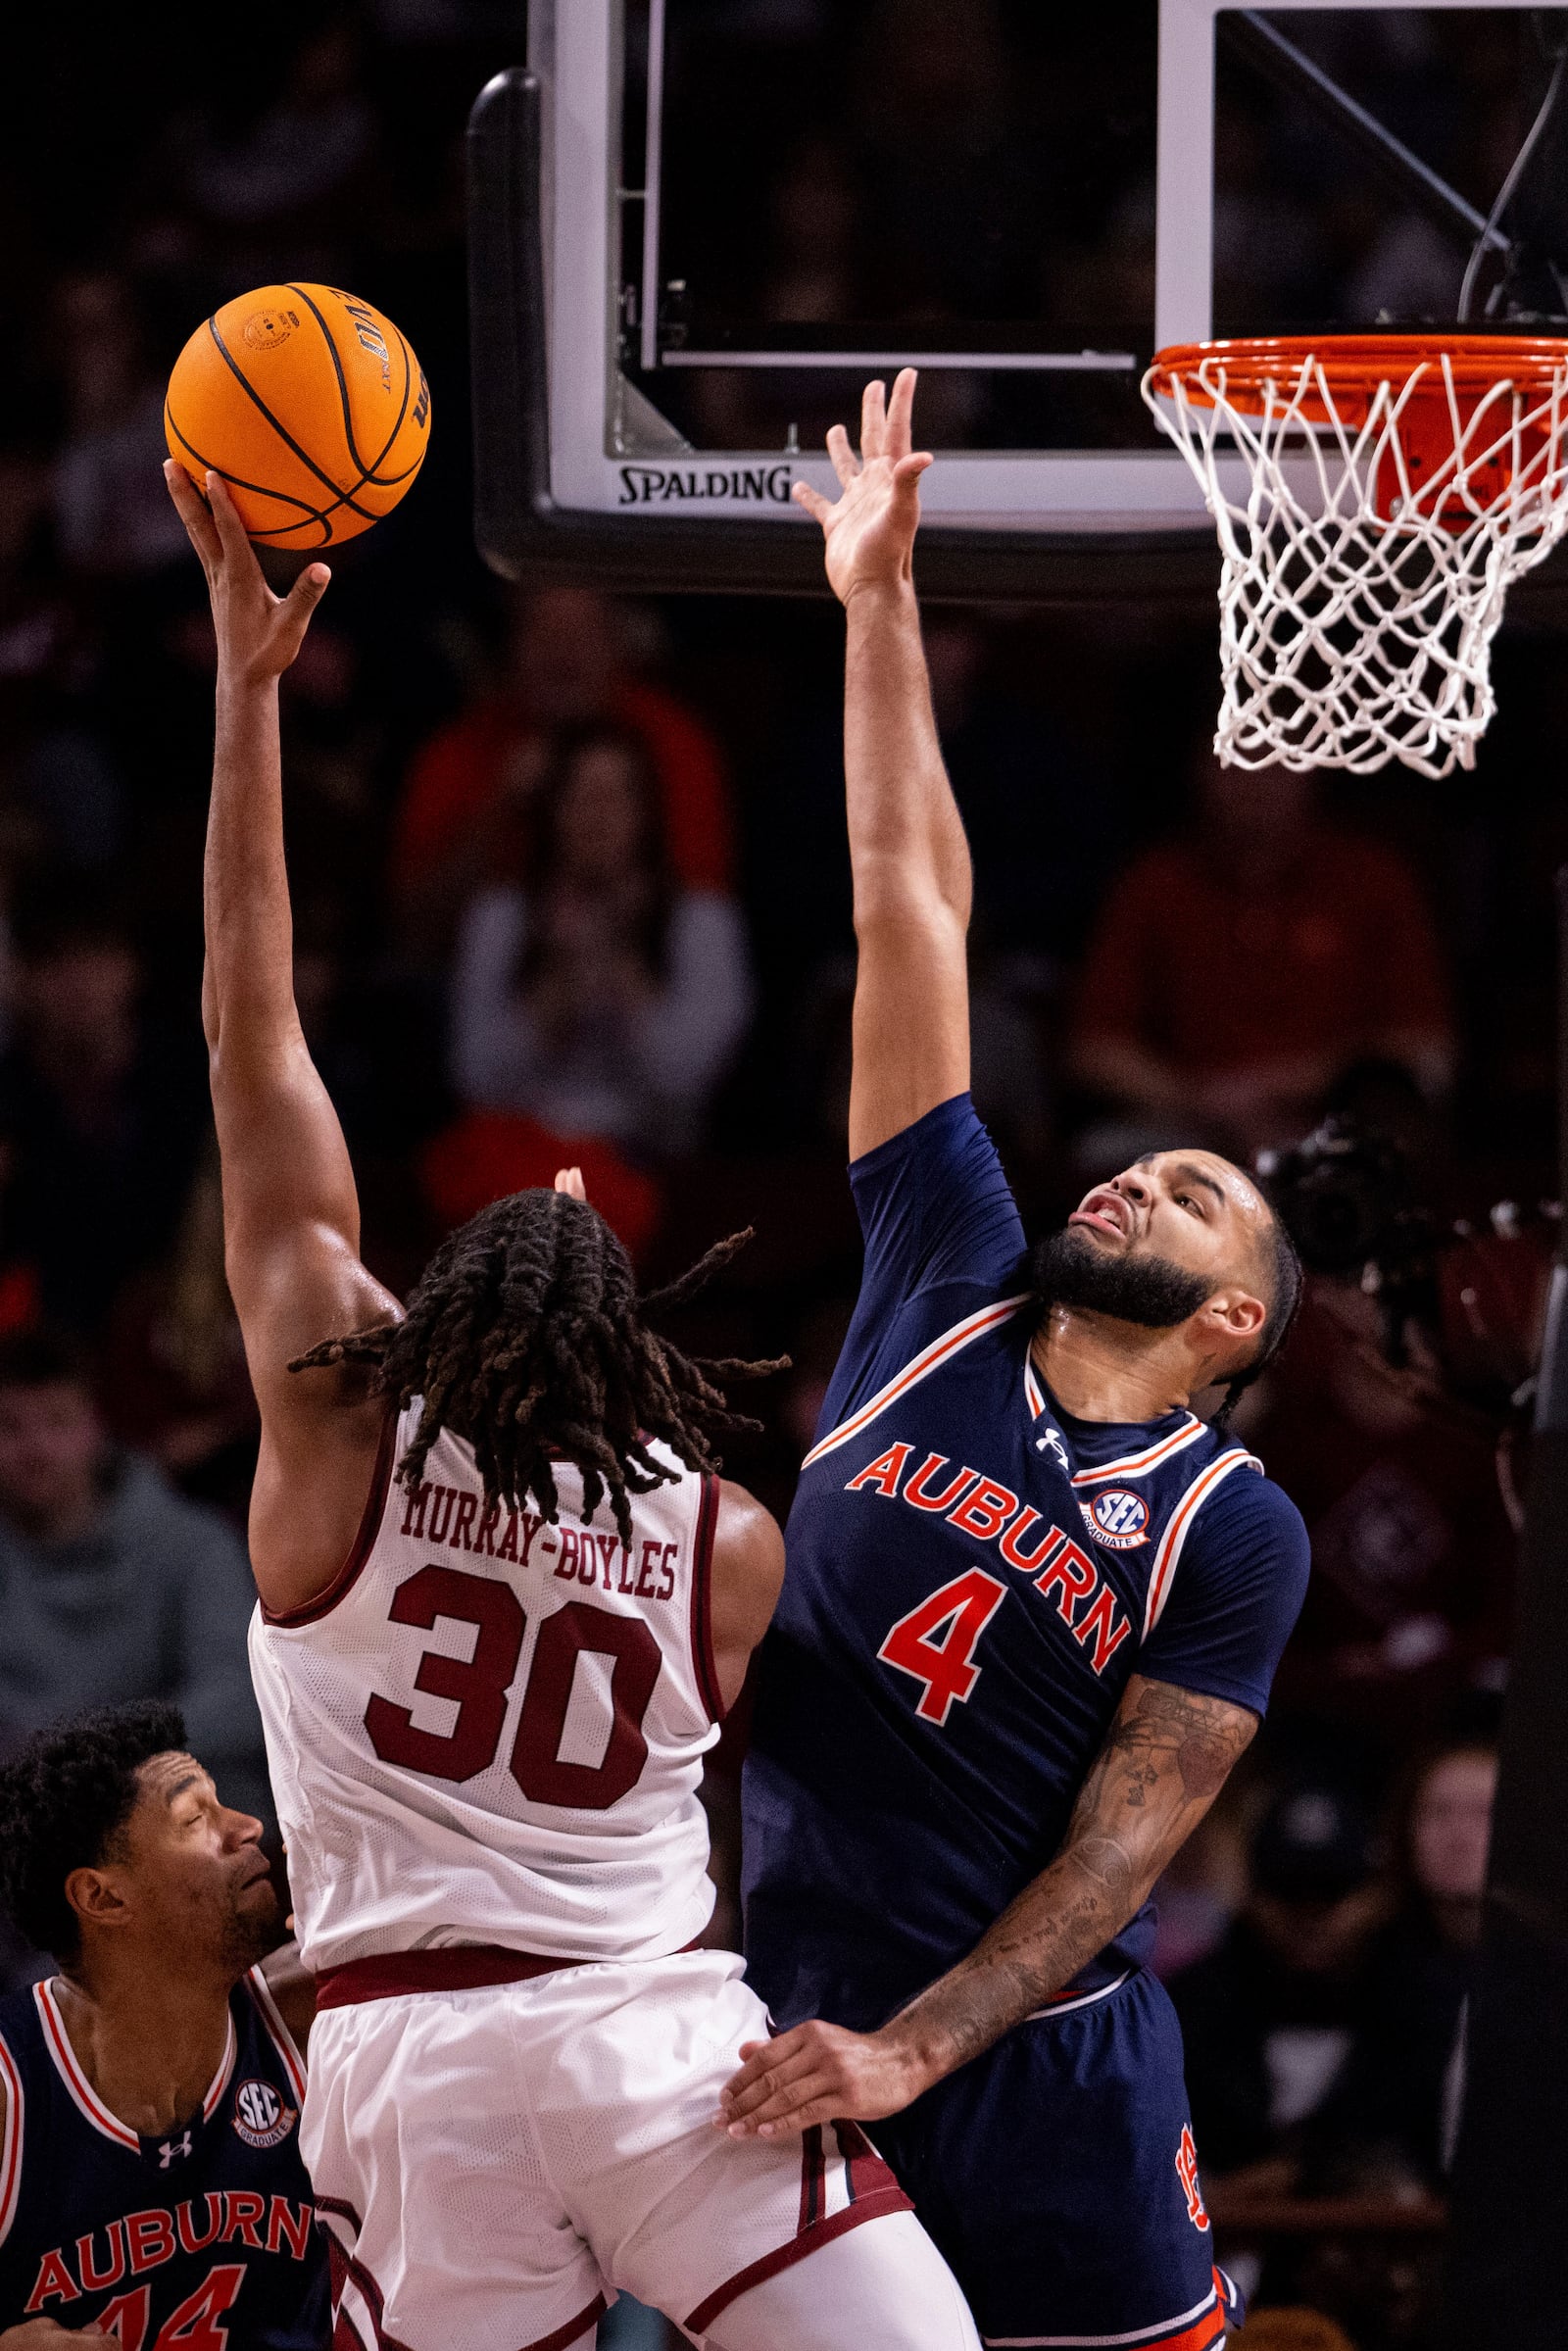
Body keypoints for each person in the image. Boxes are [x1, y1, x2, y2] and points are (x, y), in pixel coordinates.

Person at [163, 456, 980, 2351]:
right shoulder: (729, 1534)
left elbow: (250, 1022)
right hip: (652, 2039)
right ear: (638, 1350)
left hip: (408, 2058)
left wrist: (246, 693)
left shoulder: (340, 1420)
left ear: (431, 1310)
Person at [725, 373, 1312, 2351]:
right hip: (797, 2017)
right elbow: (914, 900)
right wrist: (872, 601)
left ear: (1233, 1325)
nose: (1143, 1169)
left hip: (1034, 2051)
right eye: (1153, 1157)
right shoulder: (943, 1269)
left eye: (1203, 1195)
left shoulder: (1233, 1525)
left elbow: (1120, 1843)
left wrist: (923, 2044)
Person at [0, 1700, 326, 2345]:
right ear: (104, 1896)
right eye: (195, 1819)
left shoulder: (313, 2016)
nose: (248, 1825)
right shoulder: (13, 2092)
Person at [1068, 747, 1453, 1161]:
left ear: (1313, 770)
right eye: (1238, 761)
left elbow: (1429, 1051)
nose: (1256, 782)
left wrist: (1290, 1087)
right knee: (1105, 1153)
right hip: (1190, 1123)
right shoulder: (1153, 884)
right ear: (1201, 771)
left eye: (1278, 763)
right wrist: (1207, 1103)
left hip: (1336, 1124)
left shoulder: (1375, 879)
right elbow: (1094, 1049)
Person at [0, 1327, 270, 1832]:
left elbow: (243, 1699)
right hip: (32, 1820)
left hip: (182, 1812)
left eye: (57, 1423)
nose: (34, 1448)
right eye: (11, 1427)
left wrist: (100, 1755)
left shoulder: (195, 1545)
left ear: (95, 1428)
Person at [450, 723, 753, 1157]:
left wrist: (619, 962)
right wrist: (561, 981)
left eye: (615, 796)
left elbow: (686, 1081)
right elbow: (476, 1078)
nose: (597, 814)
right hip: (523, 1158)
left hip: (653, 1162)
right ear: (552, 811)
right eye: (578, 795)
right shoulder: (498, 918)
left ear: (646, 811)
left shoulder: (704, 923)